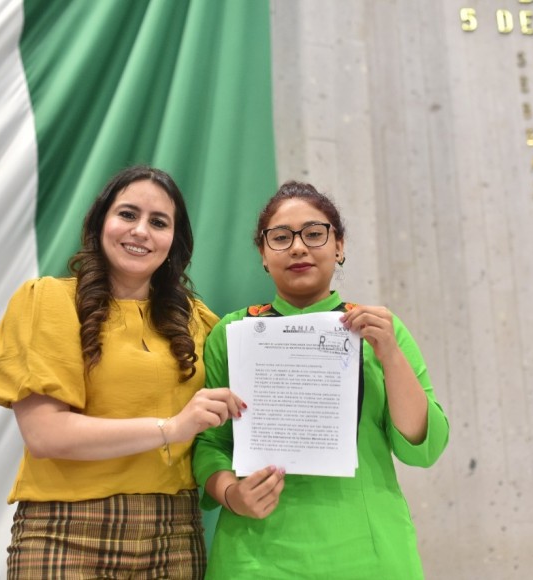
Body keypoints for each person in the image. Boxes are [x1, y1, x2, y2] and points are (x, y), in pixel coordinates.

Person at [0, 165, 243, 579]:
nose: (140, 231)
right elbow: (45, 435)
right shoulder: (48, 301)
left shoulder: (199, 321)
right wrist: (171, 428)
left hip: (174, 536)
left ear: (174, 241)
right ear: (100, 222)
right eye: (127, 214)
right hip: (64, 532)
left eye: (158, 222)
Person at [192, 180, 450, 579]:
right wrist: (231, 494)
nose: (298, 248)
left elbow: (423, 448)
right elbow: (210, 444)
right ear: (262, 254)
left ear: (339, 246)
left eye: (314, 234)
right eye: (281, 237)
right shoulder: (231, 333)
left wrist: (389, 354)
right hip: (255, 558)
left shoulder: (381, 330)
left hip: (368, 554)